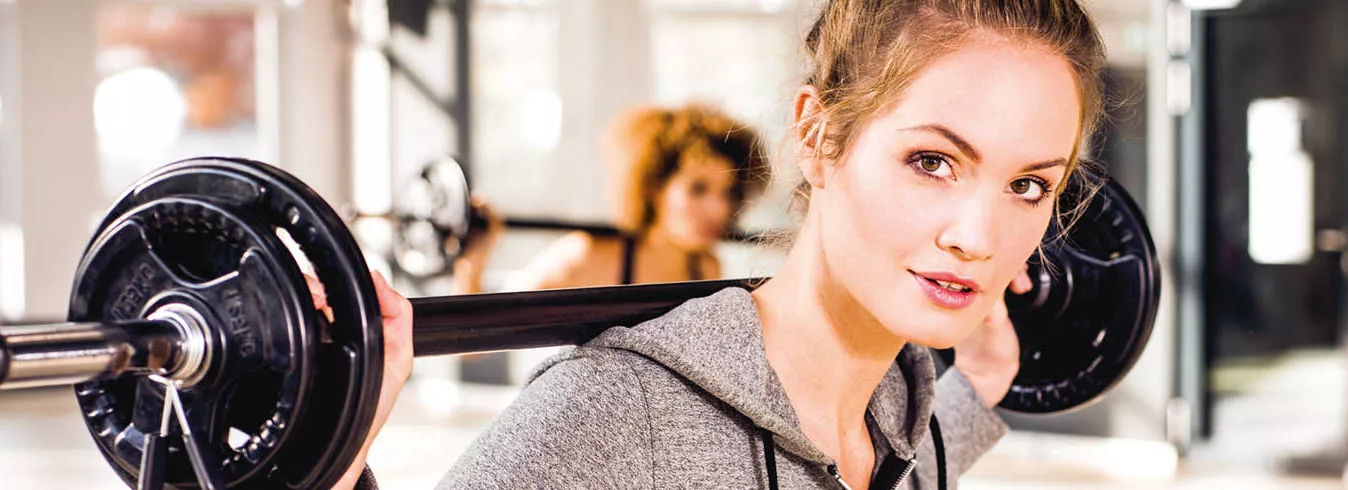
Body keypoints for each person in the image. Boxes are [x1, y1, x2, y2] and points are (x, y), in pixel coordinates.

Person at [333, 0, 1115, 487]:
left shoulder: (897, 414)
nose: (978, 238)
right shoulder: (620, 412)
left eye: (1027, 186)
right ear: (818, 136)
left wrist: (982, 379)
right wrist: (328, 461)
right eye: (933, 162)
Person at [453, 104, 770, 294]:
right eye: (698, 188)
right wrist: (472, 264)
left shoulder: (705, 266)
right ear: (653, 186)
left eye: (728, 192)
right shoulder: (587, 254)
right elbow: (473, 344)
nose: (719, 208)